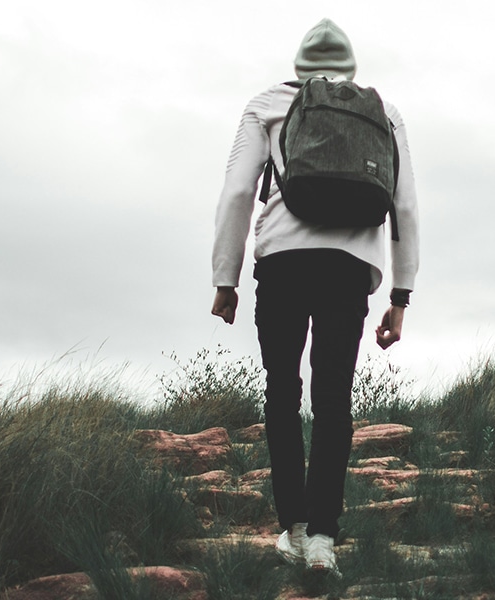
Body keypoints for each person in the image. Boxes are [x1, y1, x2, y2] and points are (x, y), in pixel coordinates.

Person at [210, 18, 419, 577]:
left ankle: (295, 528)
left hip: (281, 261)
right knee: (333, 399)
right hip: (350, 267)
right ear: (350, 67)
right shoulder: (383, 112)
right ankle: (325, 537)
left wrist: (224, 279)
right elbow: (405, 210)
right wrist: (400, 295)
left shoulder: (268, 103)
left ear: (299, 64)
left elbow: (236, 192)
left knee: (283, 390)